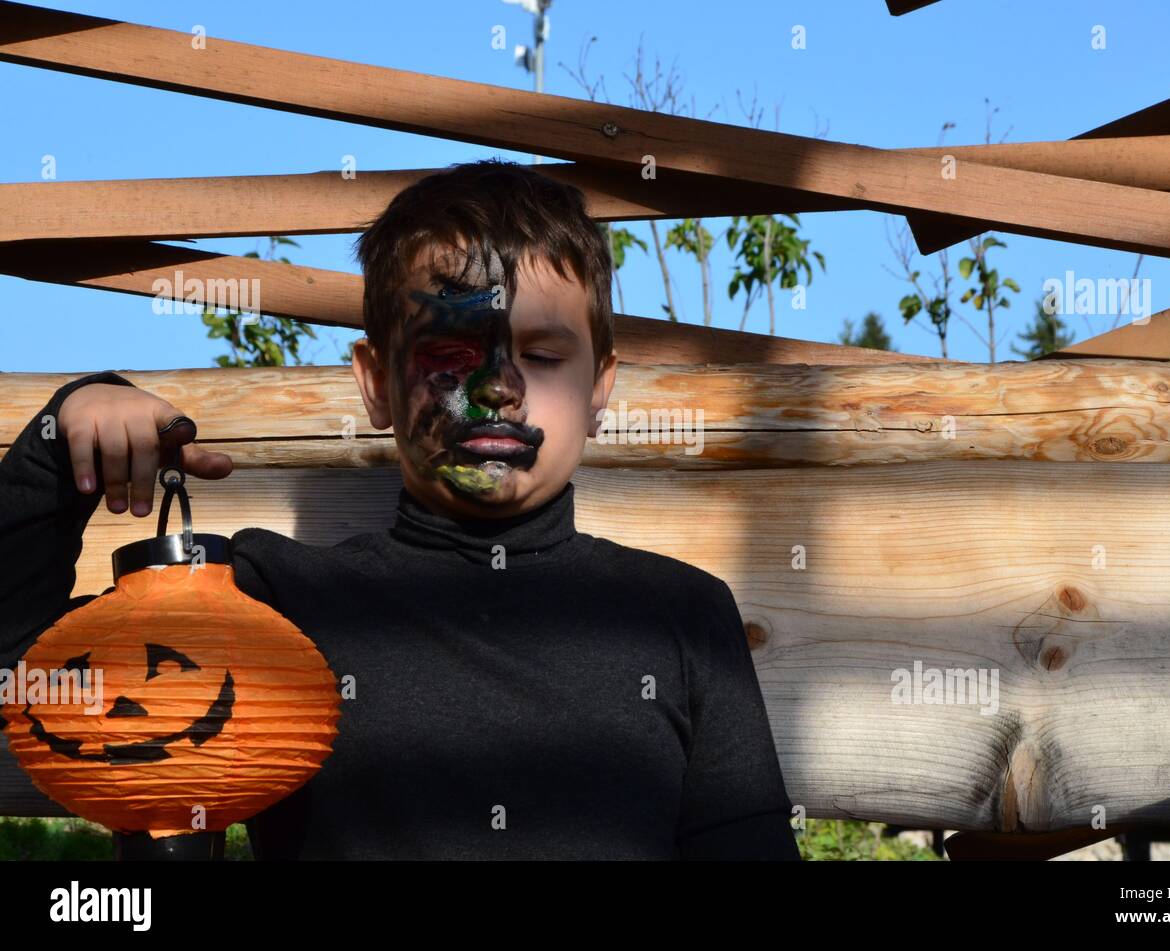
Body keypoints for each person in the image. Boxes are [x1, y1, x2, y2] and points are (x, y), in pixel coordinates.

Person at [0, 158, 801, 860]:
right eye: (448, 355)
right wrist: (60, 434)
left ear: (600, 387)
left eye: (543, 355)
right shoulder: (267, 606)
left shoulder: (681, 615)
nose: (498, 388)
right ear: (376, 381)